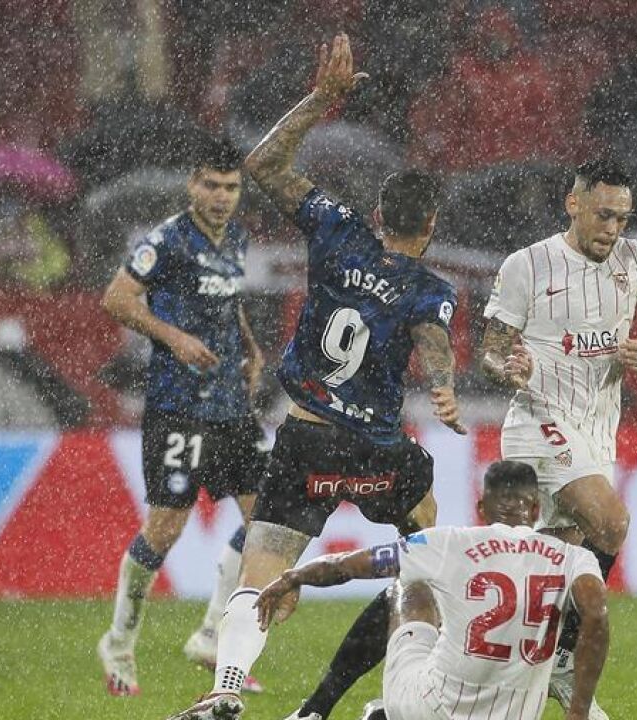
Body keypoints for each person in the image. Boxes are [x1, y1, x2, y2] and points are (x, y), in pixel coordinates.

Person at [288, 158, 637, 720]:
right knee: (611, 523)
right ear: (573, 204)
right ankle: (561, 655)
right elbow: (492, 350)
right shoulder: (529, 265)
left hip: (598, 433)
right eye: (603, 215)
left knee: (475, 578)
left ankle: (330, 704)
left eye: (622, 219)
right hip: (539, 423)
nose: (612, 229)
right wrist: (510, 367)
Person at [166, 33, 465, 720]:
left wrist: (321, 98)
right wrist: (444, 385)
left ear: (380, 215)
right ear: (430, 224)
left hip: (306, 440)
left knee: (260, 575)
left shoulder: (338, 229)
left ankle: (227, 687)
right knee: (427, 554)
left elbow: (263, 163)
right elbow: (433, 339)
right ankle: (424, 686)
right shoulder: (429, 287)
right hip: (377, 449)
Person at [96, 137, 268, 696]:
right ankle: (119, 641)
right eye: (211, 185)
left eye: (231, 187)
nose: (221, 196)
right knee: (166, 529)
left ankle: (212, 636)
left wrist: (251, 348)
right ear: (193, 184)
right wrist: (174, 338)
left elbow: (230, 300)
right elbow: (117, 298)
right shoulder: (166, 241)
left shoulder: (237, 237)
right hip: (179, 407)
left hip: (231, 405)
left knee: (265, 522)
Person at [256, 460, 610, 720]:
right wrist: (578, 711)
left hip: (431, 710)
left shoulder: (448, 543)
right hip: (513, 714)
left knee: (410, 584)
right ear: (535, 510)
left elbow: (346, 566)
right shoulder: (573, 559)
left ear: (482, 508)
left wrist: (292, 578)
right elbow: (596, 615)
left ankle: (336, 711)